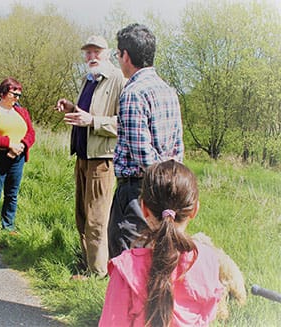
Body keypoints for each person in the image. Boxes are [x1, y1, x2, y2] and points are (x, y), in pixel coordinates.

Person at [99, 160, 224, 327]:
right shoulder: (208, 261)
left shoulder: (126, 270)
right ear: (194, 210)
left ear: (143, 208)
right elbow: (208, 315)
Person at [108, 23, 184, 258]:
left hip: (138, 192)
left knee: (128, 263)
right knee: (155, 263)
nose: (119, 59)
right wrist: (168, 189)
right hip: (167, 192)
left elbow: (142, 154)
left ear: (126, 55)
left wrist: (154, 189)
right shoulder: (169, 91)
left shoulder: (133, 93)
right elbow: (178, 148)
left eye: (118, 54)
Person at [55, 35, 126, 278]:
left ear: (108, 53)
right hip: (83, 157)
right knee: (82, 216)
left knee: (96, 220)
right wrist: (72, 108)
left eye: (96, 52)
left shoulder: (118, 80)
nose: (91, 57)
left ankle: (97, 275)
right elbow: (85, 115)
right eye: (87, 52)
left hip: (102, 160)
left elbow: (124, 123)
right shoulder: (90, 80)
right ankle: (87, 265)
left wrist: (92, 121)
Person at [0, 77, 35, 247]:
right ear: (3, 93)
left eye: (19, 95)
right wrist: (9, 144)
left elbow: (31, 133)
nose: (17, 98)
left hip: (18, 157)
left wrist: (21, 145)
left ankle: (8, 226)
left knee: (11, 194)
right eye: (14, 94)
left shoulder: (22, 112)